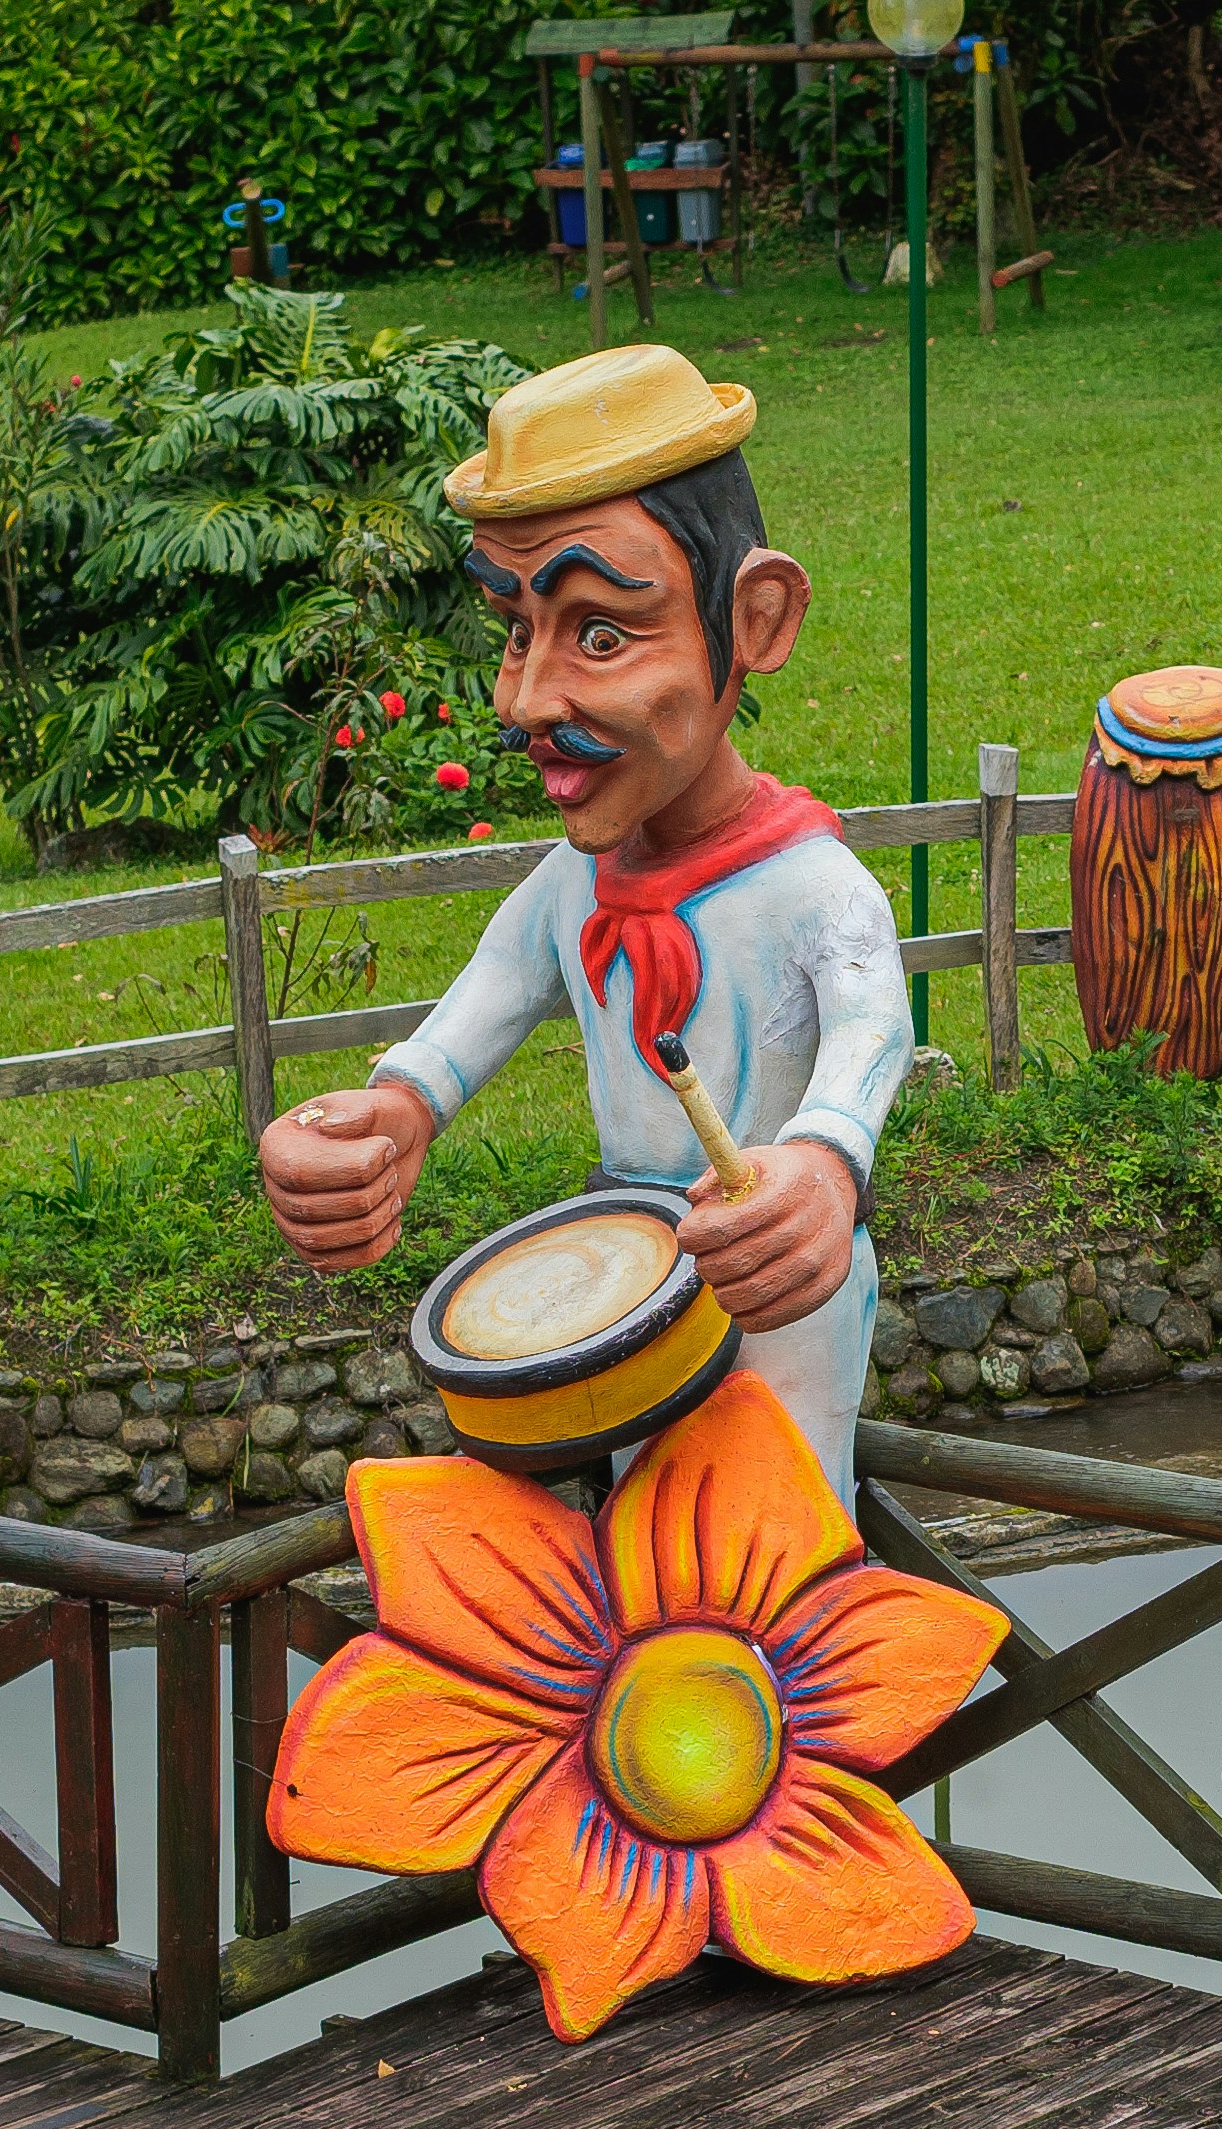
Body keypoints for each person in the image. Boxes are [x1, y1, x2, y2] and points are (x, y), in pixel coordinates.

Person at [256, 344, 913, 1495]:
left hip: (774, 1285)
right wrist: (391, 1114)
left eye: (601, 634)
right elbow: (484, 1002)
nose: (524, 701)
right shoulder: (572, 884)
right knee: (625, 1527)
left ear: (755, 619)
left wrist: (822, 1162)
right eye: (519, 632)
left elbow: (875, 1030)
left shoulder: (815, 888)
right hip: (621, 1277)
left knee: (771, 1536)